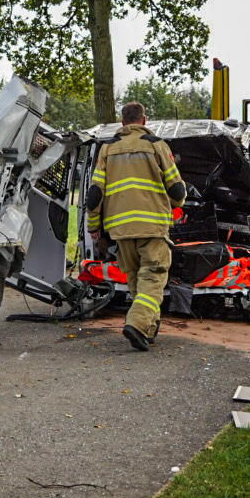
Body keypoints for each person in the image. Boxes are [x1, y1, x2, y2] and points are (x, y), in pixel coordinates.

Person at [86, 101, 186, 352]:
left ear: (122, 122)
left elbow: (95, 194)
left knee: (136, 280)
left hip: (121, 229)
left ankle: (147, 330)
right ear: (144, 120)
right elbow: (176, 190)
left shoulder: (107, 148)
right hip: (152, 226)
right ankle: (137, 324)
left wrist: (94, 228)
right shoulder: (156, 145)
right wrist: (177, 202)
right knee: (153, 277)